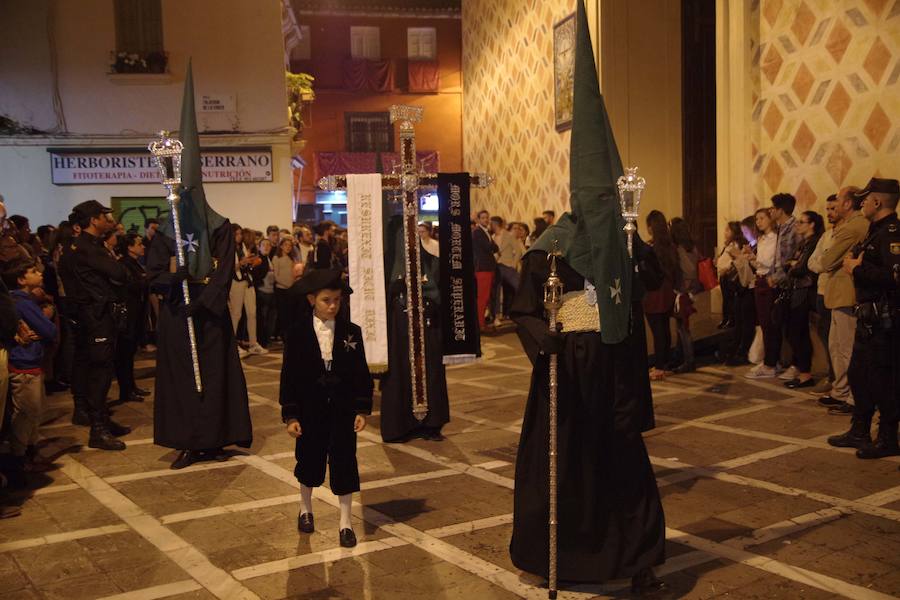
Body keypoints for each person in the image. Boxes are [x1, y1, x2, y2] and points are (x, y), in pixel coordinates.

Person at [148, 62, 253, 470]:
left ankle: (218, 436)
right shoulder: (165, 229)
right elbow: (152, 275)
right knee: (183, 382)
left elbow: (225, 269)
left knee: (217, 376)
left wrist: (207, 301)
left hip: (209, 315)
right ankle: (189, 439)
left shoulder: (220, 226)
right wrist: (174, 282)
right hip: (179, 315)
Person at [279, 269, 373, 548]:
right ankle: (305, 507)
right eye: (326, 300)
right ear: (311, 300)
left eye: (337, 300)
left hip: (342, 409)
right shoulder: (296, 333)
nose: (333, 306)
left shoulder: (350, 332)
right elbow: (289, 375)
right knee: (309, 459)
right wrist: (291, 414)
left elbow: (361, 372)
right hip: (310, 409)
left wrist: (361, 408)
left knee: (345, 460)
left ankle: (345, 521)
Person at [830, 178, 900, 459]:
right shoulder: (875, 231)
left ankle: (887, 438)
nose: (862, 204)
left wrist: (856, 270)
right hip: (868, 318)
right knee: (860, 377)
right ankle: (859, 429)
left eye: (865, 199)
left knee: (884, 380)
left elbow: (895, 277)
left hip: (885, 321)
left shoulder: (891, 234)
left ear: (877, 202)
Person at [379, 215, 450, 443]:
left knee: (430, 371)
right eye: (402, 236)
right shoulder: (385, 265)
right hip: (398, 329)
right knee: (400, 370)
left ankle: (430, 423)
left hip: (427, 326)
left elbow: (441, 291)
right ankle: (400, 425)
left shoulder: (431, 262)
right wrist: (395, 289)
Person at [68, 200, 131, 450]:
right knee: (100, 371)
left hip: (92, 314)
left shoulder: (82, 246)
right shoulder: (88, 248)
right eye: (105, 215)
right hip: (96, 316)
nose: (109, 218)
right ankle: (98, 429)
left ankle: (101, 418)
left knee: (98, 367)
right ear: (93, 220)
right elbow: (120, 274)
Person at [814, 186, 868, 413]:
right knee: (836, 347)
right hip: (837, 295)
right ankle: (841, 391)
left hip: (846, 295)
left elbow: (825, 262)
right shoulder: (847, 226)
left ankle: (854, 397)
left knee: (846, 349)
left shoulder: (853, 227)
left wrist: (829, 258)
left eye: (837, 200)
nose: (834, 205)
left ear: (847, 204)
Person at [2, 259, 57, 475]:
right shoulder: (22, 303)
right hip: (24, 364)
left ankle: (29, 453)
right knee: (27, 412)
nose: (40, 274)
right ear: (21, 279)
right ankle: (20, 457)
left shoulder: (18, 301)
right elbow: (49, 330)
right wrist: (47, 317)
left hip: (27, 361)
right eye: (33, 271)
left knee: (32, 412)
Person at [782, 211, 824, 389]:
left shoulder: (814, 242)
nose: (797, 225)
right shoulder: (804, 243)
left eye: (802, 222)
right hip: (797, 291)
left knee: (798, 332)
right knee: (794, 332)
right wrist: (792, 265)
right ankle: (801, 372)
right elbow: (789, 264)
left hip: (805, 292)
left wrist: (793, 266)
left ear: (812, 224)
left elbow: (802, 268)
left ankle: (806, 374)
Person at [806, 195, 839, 396]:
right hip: (821, 291)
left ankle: (840, 380)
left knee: (839, 342)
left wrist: (825, 263)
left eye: (833, 209)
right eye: (827, 209)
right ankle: (832, 376)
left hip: (836, 293)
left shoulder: (846, 234)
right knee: (826, 337)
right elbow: (813, 262)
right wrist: (825, 264)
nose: (829, 213)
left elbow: (827, 262)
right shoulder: (827, 236)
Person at [770, 193, 802, 382]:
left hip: (790, 284)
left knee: (794, 328)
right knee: (784, 326)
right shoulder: (782, 227)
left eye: (773, 208)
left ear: (780, 210)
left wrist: (778, 277)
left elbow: (792, 259)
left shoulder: (794, 229)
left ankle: (797, 365)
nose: (771, 211)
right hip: (781, 283)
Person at [643, 210, 678, 380]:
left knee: (657, 331)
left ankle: (658, 367)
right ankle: (665, 363)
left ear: (651, 227)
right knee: (664, 329)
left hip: (654, 293)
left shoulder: (651, 248)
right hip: (668, 291)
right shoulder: (671, 246)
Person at [115, 234, 150, 403]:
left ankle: (131, 386)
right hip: (129, 315)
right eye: (139, 244)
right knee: (125, 355)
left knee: (130, 354)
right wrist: (146, 279)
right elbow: (132, 285)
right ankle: (126, 389)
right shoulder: (123, 265)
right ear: (129, 247)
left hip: (136, 314)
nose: (142, 246)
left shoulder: (135, 264)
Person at [745, 208, 779, 378]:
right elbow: (759, 265)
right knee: (763, 323)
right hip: (759, 280)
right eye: (756, 219)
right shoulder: (761, 239)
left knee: (769, 324)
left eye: (762, 218)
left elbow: (769, 261)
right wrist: (752, 259)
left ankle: (771, 364)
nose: (758, 222)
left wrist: (753, 258)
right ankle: (767, 360)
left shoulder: (774, 238)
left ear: (770, 219)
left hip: (769, 282)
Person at [228, 224, 267, 357]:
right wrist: (241, 263)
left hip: (247, 280)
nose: (240, 236)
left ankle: (253, 343)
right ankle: (232, 345)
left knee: (252, 312)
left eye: (240, 234)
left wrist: (250, 261)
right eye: (237, 234)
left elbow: (245, 263)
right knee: (236, 314)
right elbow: (226, 268)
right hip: (236, 281)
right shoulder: (228, 248)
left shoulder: (242, 247)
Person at [670, 217, 700, 373]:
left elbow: (689, 270)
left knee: (683, 327)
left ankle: (689, 361)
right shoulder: (692, 246)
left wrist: (683, 287)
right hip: (690, 292)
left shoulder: (680, 248)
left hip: (683, 292)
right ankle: (681, 357)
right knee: (682, 326)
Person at [491, 216, 522, 323]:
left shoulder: (508, 235)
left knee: (518, 287)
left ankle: (518, 312)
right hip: (496, 267)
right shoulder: (492, 237)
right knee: (497, 292)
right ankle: (497, 315)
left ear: (495, 224)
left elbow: (518, 250)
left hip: (508, 267)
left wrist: (513, 264)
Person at [472, 209, 498, 330]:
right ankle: (480, 324)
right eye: (483, 218)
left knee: (486, 297)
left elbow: (496, 248)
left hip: (488, 267)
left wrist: (492, 247)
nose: (486, 220)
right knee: (482, 297)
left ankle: (481, 322)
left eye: (487, 217)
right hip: (482, 268)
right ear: (478, 220)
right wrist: (492, 247)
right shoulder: (477, 232)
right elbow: (490, 247)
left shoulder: (485, 231)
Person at [273, 237, 301, 338]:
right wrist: (288, 285)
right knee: (283, 313)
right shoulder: (276, 258)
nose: (288, 247)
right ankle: (281, 334)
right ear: (281, 246)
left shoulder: (291, 258)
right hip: (281, 289)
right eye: (286, 245)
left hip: (290, 289)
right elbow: (276, 276)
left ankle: (289, 334)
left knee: (290, 313)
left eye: (290, 245)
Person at [253, 239, 276, 348]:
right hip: (262, 292)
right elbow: (256, 276)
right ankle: (262, 341)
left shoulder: (269, 259)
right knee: (263, 318)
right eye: (264, 245)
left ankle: (266, 340)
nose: (266, 247)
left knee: (270, 319)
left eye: (268, 245)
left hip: (271, 292)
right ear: (259, 247)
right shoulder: (258, 260)